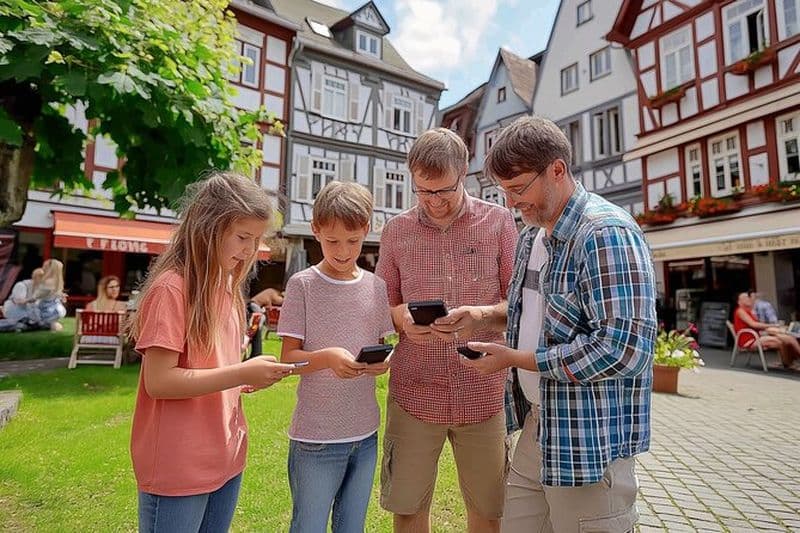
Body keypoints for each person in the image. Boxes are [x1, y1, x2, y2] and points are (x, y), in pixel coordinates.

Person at [466, 116, 656, 533]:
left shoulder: (606, 233)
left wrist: (518, 359)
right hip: (540, 425)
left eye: (518, 189)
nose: (512, 203)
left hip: (590, 439)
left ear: (557, 170)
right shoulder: (532, 238)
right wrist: (479, 316)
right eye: (504, 192)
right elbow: (537, 317)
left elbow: (624, 348)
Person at [127, 172, 295, 533]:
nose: (251, 251)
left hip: (226, 456)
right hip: (179, 466)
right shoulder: (172, 289)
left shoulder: (226, 288)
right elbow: (159, 381)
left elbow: (215, 369)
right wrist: (239, 373)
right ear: (208, 227)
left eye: (257, 240)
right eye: (243, 237)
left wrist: (248, 375)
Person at [375, 128, 518, 533]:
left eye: (444, 191)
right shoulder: (396, 231)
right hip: (415, 392)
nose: (434, 202)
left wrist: (484, 314)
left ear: (465, 172)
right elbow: (379, 307)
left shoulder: (500, 222)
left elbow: (519, 306)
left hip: (483, 393)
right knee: (407, 514)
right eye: (424, 192)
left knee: (490, 515)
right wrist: (401, 317)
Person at [277, 181, 395, 533]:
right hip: (317, 438)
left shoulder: (376, 287)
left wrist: (380, 365)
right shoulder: (302, 285)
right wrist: (326, 358)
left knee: (352, 527)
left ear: (367, 230)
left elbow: (380, 348)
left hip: (365, 434)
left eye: (353, 241)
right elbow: (288, 360)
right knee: (309, 527)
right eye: (332, 241)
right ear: (315, 230)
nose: (343, 251)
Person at [734, 292, 800, 368]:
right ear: (739, 302)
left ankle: (789, 363)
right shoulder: (740, 311)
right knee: (783, 340)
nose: (748, 299)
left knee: (787, 339)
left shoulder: (749, 311)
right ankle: (789, 363)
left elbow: (757, 325)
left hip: (756, 336)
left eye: (748, 297)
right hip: (749, 340)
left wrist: (773, 328)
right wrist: (773, 326)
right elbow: (754, 324)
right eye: (745, 298)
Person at [34, 259, 67, 331]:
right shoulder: (57, 281)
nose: (42, 268)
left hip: (49, 310)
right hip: (57, 308)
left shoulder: (48, 281)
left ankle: (53, 326)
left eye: (44, 266)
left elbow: (36, 296)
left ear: (49, 268)